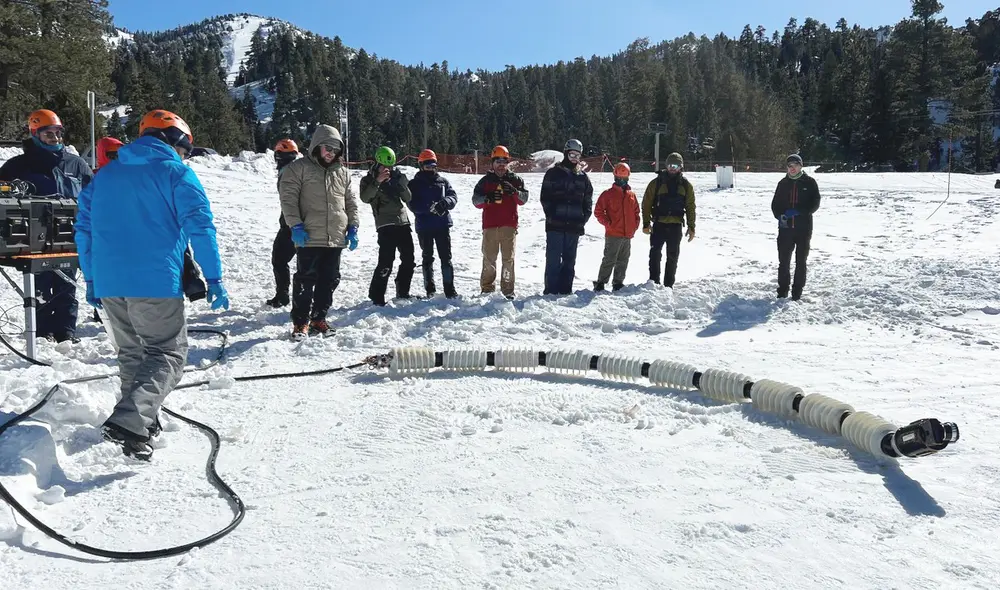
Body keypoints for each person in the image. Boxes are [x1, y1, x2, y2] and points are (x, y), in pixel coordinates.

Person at [75, 109, 229, 461]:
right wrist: (214, 277)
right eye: (185, 150)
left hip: (110, 281)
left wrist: (93, 278)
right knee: (167, 353)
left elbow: (83, 231)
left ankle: (139, 426)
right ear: (174, 140)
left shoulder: (105, 175)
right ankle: (131, 420)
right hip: (155, 280)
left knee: (132, 353)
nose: (184, 157)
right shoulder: (176, 173)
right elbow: (200, 227)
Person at [0, 109, 93, 343]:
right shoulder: (17, 166)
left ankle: (66, 330)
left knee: (67, 284)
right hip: (33, 239)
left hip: (70, 235)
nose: (55, 137)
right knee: (39, 285)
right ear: (35, 134)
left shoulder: (76, 164)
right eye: (48, 133)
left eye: (58, 132)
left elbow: (94, 196)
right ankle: (41, 331)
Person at [279, 124, 358, 339]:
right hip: (309, 236)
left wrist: (353, 226)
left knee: (329, 280)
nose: (331, 153)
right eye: (327, 148)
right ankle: (300, 323)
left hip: (335, 237)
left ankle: (318, 319)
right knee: (305, 280)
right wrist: (295, 225)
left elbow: (350, 202)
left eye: (335, 149)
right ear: (316, 146)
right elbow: (288, 200)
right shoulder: (298, 168)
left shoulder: (343, 173)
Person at [360, 146, 414, 306]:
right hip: (385, 224)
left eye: (390, 166)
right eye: (384, 166)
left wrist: (400, 183)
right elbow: (365, 198)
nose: (388, 169)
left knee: (409, 260)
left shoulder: (398, 176)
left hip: (403, 222)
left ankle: (403, 291)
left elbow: (408, 198)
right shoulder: (368, 180)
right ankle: (376, 296)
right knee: (386, 262)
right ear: (377, 164)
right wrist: (377, 181)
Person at [472, 146, 529, 299]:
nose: (501, 165)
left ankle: (508, 290)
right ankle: (487, 289)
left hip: (509, 226)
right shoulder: (485, 181)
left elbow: (524, 199)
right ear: (493, 163)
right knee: (489, 259)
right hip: (490, 226)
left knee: (508, 260)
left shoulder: (515, 180)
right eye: (498, 162)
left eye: (504, 162)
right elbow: (475, 201)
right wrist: (487, 198)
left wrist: (514, 192)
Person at [540, 139, 593, 295]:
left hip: (574, 226)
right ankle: (551, 291)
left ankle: (565, 291)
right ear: (565, 154)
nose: (574, 159)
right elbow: (545, 198)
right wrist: (552, 215)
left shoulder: (582, 177)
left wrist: (582, 218)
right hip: (555, 225)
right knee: (553, 260)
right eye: (572, 155)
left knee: (569, 261)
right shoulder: (553, 174)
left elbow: (588, 201)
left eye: (577, 156)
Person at [406, 149, 458, 298]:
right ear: (421, 166)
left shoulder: (442, 181)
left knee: (446, 258)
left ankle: (450, 289)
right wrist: (429, 207)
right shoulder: (414, 184)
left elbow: (453, 196)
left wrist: (445, 203)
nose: (431, 169)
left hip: (442, 225)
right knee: (427, 258)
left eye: (433, 166)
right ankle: (430, 289)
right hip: (424, 226)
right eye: (428, 166)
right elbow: (411, 204)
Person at [641, 152, 696, 288]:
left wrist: (691, 226)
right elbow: (646, 203)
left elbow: (690, 206)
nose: (672, 168)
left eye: (675, 166)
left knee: (673, 256)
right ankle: (654, 282)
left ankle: (668, 285)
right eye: (670, 165)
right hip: (658, 224)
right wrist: (646, 223)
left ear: (681, 167)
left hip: (675, 226)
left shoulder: (686, 185)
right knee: (655, 254)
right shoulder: (656, 183)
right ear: (666, 166)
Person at [771, 154, 820, 300]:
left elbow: (815, 203)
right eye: (789, 166)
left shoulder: (809, 182)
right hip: (785, 230)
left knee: (801, 261)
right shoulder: (782, 183)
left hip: (803, 229)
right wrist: (780, 216)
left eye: (795, 165)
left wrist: (799, 211)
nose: (792, 168)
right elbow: (775, 204)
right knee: (784, 261)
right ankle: (782, 291)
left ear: (800, 166)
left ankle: (797, 292)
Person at [593, 162, 640, 292]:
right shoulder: (607, 194)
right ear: (614, 177)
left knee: (623, 260)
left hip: (627, 234)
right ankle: (601, 283)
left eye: (624, 178)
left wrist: (635, 226)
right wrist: (608, 224)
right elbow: (598, 211)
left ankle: (618, 283)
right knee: (609, 259)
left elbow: (636, 212)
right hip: (613, 234)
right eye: (619, 178)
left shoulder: (632, 195)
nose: (622, 181)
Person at [265, 139, 300, 307]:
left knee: (279, 259)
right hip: (300, 222)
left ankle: (283, 295)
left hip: (290, 223)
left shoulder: (287, 173)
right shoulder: (298, 170)